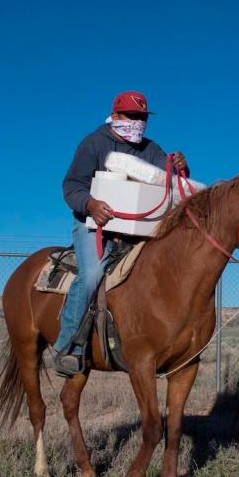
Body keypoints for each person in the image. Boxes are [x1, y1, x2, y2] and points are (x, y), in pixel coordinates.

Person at [53, 90, 188, 377]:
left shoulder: (151, 150)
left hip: (136, 226)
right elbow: (72, 186)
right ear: (115, 116)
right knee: (91, 274)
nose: (137, 122)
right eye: (131, 116)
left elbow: (171, 186)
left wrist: (181, 169)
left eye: (142, 117)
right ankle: (68, 348)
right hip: (94, 224)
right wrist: (90, 204)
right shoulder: (94, 143)